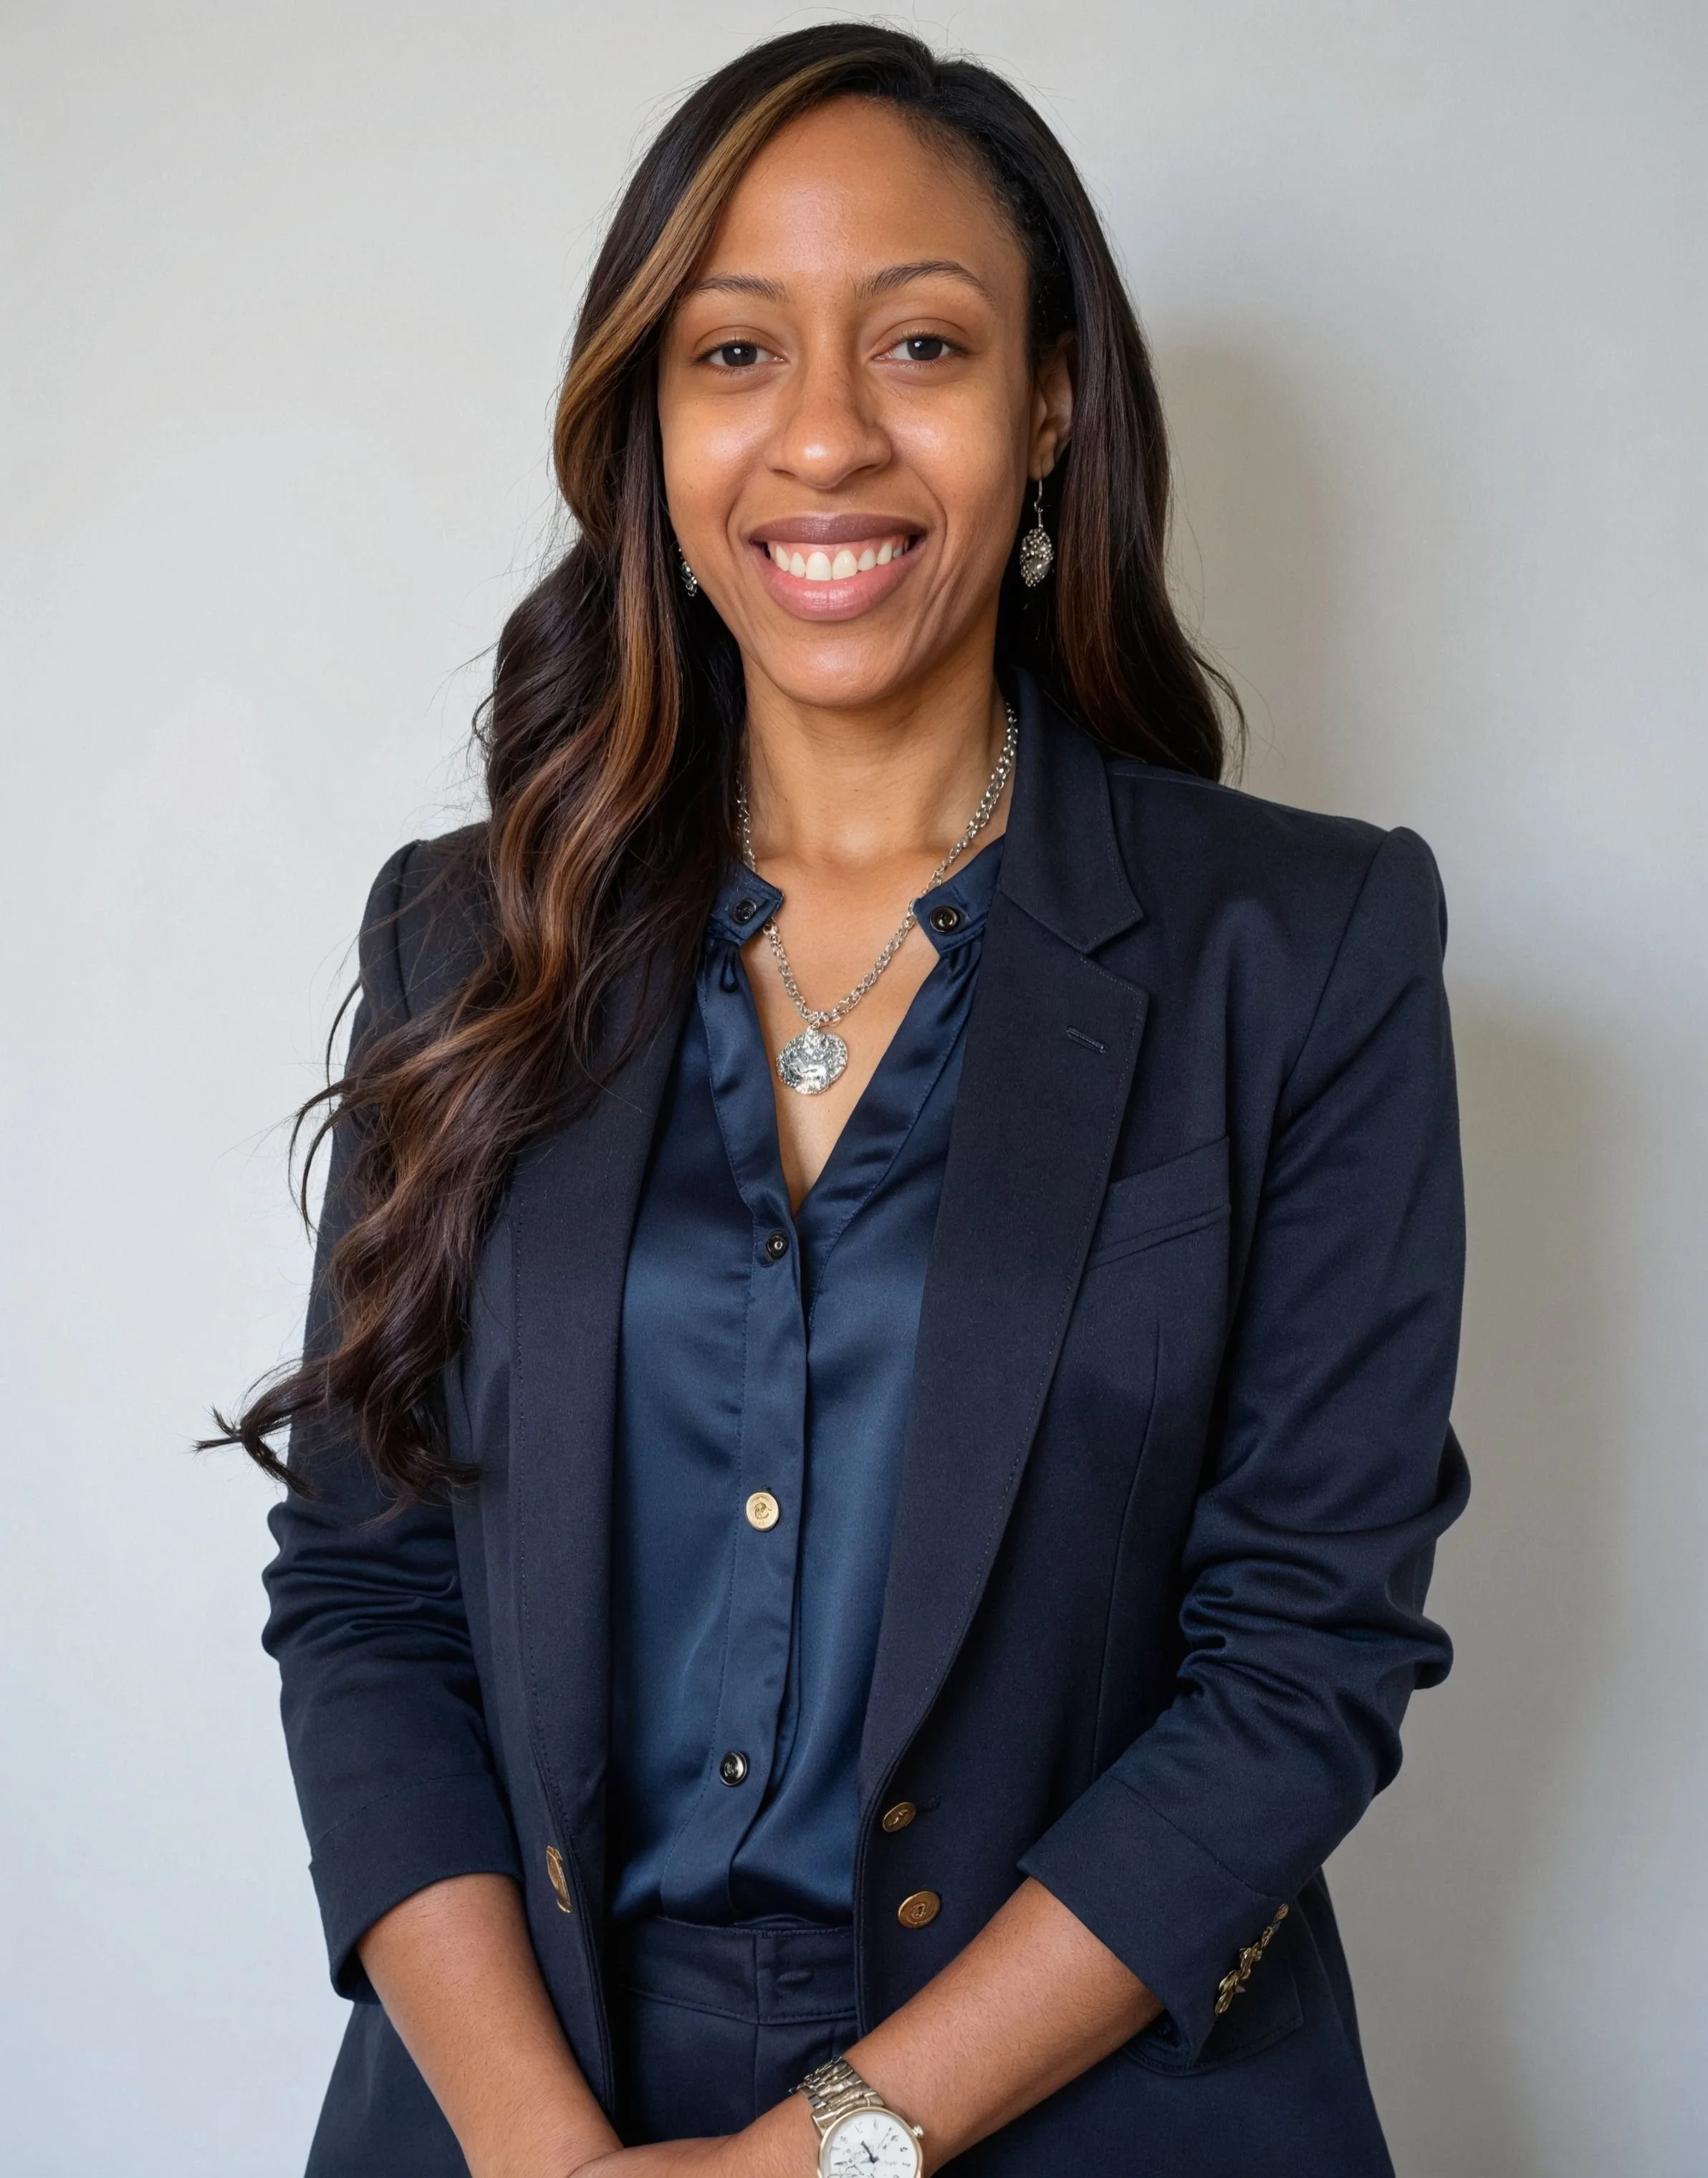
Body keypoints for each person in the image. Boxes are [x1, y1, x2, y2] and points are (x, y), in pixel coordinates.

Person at [226, 24, 1468, 2178]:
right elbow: (368, 1591)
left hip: (1091, 2107)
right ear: (651, 424)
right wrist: (538, 2153)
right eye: (732, 353)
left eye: (920, 343)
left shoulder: (1307, 949)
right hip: (521, 2106)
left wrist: (830, 2153)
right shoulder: (468, 941)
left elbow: (1298, 1665)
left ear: (1051, 400)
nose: (824, 437)